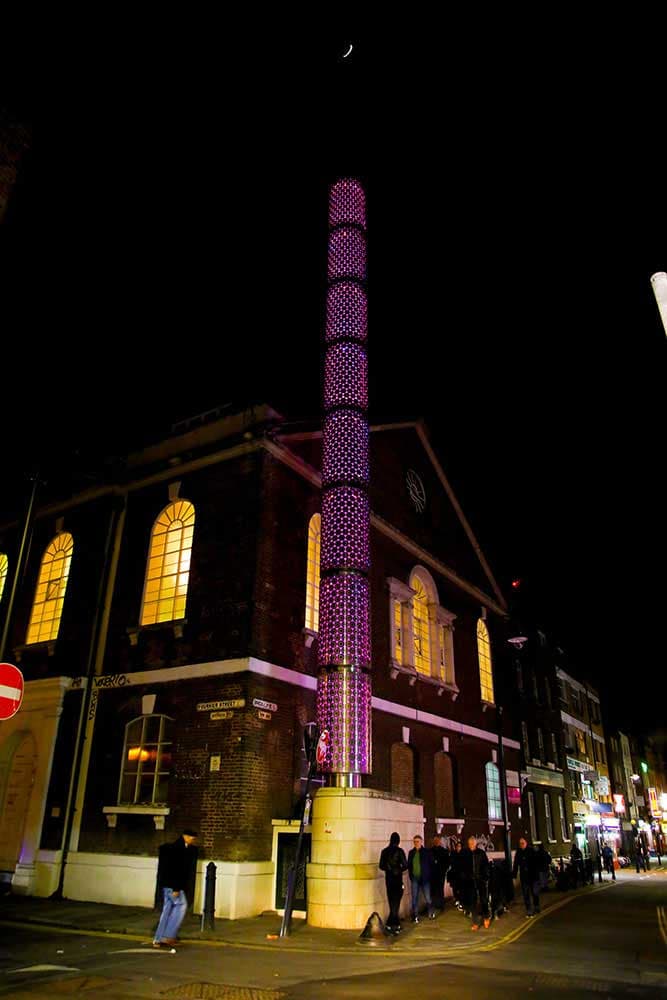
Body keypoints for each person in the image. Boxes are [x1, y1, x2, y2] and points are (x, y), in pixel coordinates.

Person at [153, 829, 198, 948]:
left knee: (167, 911)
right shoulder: (180, 849)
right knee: (181, 906)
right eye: (192, 838)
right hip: (173, 886)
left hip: (167, 885)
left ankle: (159, 938)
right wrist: (176, 888)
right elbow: (177, 869)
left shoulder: (174, 847)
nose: (193, 840)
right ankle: (168, 936)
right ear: (185, 836)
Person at [379, 832, 408, 934]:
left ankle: (392, 923)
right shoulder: (400, 851)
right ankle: (394, 924)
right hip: (397, 879)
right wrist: (398, 869)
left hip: (389, 879)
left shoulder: (384, 851)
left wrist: (388, 868)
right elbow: (405, 865)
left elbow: (381, 865)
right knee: (396, 901)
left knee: (391, 900)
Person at [460, 835, 490, 930]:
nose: (471, 845)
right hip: (470, 881)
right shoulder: (465, 853)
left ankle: (486, 917)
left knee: (483, 900)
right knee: (472, 902)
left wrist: (485, 877)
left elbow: (486, 866)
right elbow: (462, 867)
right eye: (469, 844)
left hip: (480, 880)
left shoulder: (481, 853)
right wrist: (464, 877)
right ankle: (475, 922)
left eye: (472, 843)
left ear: (476, 844)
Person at [407, 834, 435, 922]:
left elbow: (431, 864)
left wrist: (429, 875)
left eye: (417, 841)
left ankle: (431, 912)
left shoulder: (426, 852)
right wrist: (411, 876)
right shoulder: (411, 853)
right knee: (414, 898)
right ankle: (415, 915)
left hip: (425, 878)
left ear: (421, 842)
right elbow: (409, 865)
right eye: (414, 842)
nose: (416, 843)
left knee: (428, 897)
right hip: (415, 878)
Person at [512, 837, 541, 916]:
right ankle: (529, 909)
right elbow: (516, 864)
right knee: (526, 894)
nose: (521, 845)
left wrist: (537, 874)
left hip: (533, 876)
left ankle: (536, 906)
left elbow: (536, 863)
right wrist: (514, 874)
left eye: (522, 843)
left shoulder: (531, 851)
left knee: (534, 892)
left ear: (526, 843)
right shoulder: (518, 852)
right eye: (520, 843)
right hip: (524, 877)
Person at [430, 834, 450, 911]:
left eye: (437, 840)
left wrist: (444, 870)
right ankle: (435, 904)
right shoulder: (430, 851)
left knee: (440, 889)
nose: (436, 842)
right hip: (433, 874)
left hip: (441, 873)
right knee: (433, 890)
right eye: (435, 840)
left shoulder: (444, 851)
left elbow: (447, 862)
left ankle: (441, 905)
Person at [447, 840, 464, 911]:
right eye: (457, 846)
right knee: (455, 888)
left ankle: (461, 901)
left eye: (460, 846)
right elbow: (450, 862)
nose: (458, 848)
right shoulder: (453, 853)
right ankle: (457, 900)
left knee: (461, 889)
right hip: (454, 875)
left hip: (462, 875)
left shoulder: (464, 854)